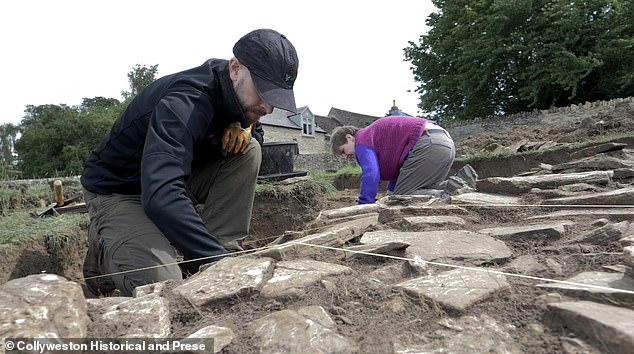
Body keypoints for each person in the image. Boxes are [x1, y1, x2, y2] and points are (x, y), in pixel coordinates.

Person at [80, 29, 299, 296]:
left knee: (249, 148)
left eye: (276, 98)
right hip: (119, 192)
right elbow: (160, 194)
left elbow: (253, 134)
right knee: (162, 284)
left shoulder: (238, 98)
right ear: (234, 69)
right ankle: (104, 257)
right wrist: (220, 263)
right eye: (263, 92)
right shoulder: (185, 102)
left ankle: (219, 250)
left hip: (171, 180)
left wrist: (248, 127)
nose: (268, 108)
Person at [330, 115, 476, 204]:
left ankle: (448, 193)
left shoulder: (362, 140)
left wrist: (365, 204)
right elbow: (400, 170)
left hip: (427, 144)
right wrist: (390, 193)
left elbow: (371, 174)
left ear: (350, 137)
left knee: (402, 197)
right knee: (421, 188)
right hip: (444, 142)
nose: (345, 157)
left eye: (343, 150)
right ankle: (458, 184)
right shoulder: (375, 136)